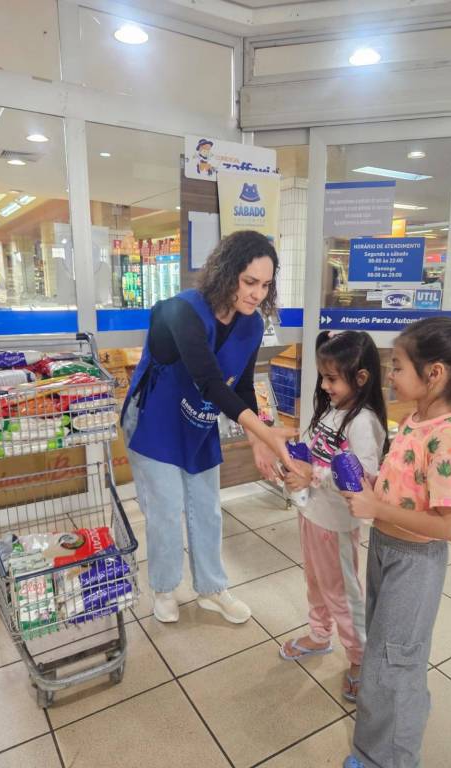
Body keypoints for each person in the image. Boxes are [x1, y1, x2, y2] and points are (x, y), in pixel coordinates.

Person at [342, 317, 451, 768]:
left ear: (433, 373)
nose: (389, 376)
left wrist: (377, 508)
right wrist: (371, 490)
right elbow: (407, 487)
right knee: (386, 656)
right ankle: (384, 739)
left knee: (393, 664)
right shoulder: (414, 420)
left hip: (415, 562)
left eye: (397, 366)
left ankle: (392, 759)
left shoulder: (449, 437)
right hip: (385, 549)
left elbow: (450, 527)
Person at [121, 230, 297, 625]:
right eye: (249, 282)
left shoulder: (251, 325)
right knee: (166, 510)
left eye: (265, 285)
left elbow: (242, 386)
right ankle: (164, 588)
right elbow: (210, 382)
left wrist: (257, 440)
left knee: (206, 508)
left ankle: (211, 588)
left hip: (197, 422)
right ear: (227, 272)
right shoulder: (180, 311)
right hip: (154, 419)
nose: (257, 294)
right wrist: (267, 434)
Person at [279, 331, 387, 704]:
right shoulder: (332, 410)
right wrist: (295, 462)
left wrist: (314, 474)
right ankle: (319, 634)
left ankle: (359, 658)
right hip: (312, 514)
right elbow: (314, 451)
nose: (324, 386)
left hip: (336, 525)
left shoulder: (363, 422)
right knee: (315, 582)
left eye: (331, 378)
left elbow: (363, 478)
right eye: (323, 377)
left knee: (342, 593)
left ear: (361, 377)